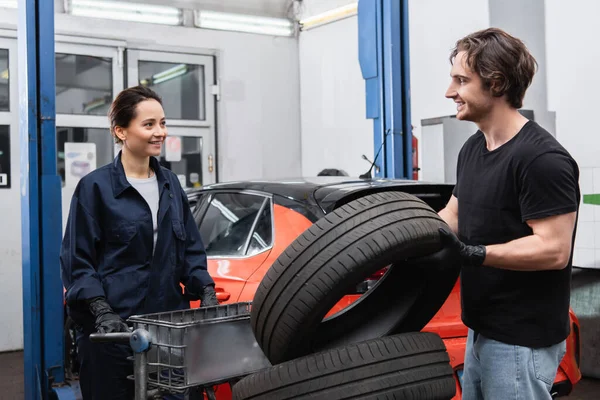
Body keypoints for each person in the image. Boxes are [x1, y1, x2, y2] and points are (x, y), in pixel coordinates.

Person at [438, 28, 580, 399]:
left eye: (461, 80)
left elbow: (553, 250)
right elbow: (454, 212)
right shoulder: (473, 148)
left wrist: (477, 253)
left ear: (496, 83)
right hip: (480, 327)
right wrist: (398, 239)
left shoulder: (541, 160)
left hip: (521, 340)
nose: (449, 92)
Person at [60, 86, 219, 399]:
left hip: (168, 331)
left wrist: (206, 289)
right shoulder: (95, 188)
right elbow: (77, 261)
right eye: (149, 125)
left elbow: (189, 249)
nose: (160, 132)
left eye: (162, 123)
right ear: (121, 131)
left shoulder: (170, 184)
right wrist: (101, 310)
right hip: (113, 335)